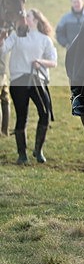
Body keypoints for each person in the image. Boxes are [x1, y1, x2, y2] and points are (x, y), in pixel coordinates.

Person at [1, 9, 57, 164]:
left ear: (36, 20)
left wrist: (40, 62)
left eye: (28, 16)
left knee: (45, 113)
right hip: (19, 80)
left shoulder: (45, 39)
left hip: (37, 80)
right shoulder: (16, 36)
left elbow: (53, 61)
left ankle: (38, 151)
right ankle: (22, 155)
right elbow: (3, 49)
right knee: (21, 116)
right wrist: (1, 39)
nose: (25, 18)